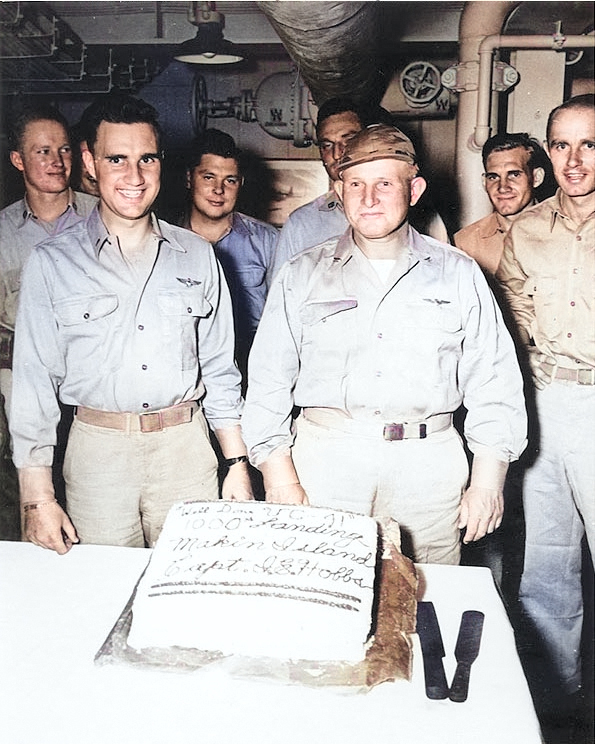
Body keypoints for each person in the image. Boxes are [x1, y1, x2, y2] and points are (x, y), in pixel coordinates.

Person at [242, 124, 527, 565]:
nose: (368, 198)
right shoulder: (302, 274)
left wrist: (488, 481)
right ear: (339, 191)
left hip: (428, 472)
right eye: (355, 184)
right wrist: (278, 476)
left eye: (384, 184)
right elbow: (267, 382)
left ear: (413, 190)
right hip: (327, 466)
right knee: (324, 600)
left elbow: (495, 381)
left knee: (427, 610)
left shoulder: (459, 273)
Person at [9, 94, 253, 556]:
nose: (134, 177)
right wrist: (37, 497)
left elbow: (221, 371)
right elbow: (33, 385)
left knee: (192, 590)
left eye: (146, 159)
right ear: (90, 162)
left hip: (186, 450)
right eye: (116, 159)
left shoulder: (199, 255)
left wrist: (237, 461)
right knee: (97, 594)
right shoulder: (52, 262)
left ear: (161, 162)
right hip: (97, 454)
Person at [496, 94, 595, 717]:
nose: (574, 160)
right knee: (548, 564)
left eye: (589, 144)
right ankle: (560, 702)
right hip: (546, 407)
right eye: (561, 145)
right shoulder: (527, 228)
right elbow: (517, 319)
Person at [0, 102, 97, 418]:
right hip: (22, 380)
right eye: (43, 152)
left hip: (94, 382)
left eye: (64, 150)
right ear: (18, 160)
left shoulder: (105, 218)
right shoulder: (3, 232)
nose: (56, 161)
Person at [184, 129, 278, 381]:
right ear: (189, 179)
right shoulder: (165, 241)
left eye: (230, 180)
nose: (218, 189)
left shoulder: (268, 241)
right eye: (208, 177)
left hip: (253, 363)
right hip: (187, 363)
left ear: (241, 185)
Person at [270, 98, 372, 277]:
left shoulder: (402, 208)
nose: (336, 154)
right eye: (327, 145)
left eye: (348, 141)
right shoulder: (301, 224)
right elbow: (281, 297)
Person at [454, 132, 550, 274]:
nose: (503, 187)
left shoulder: (564, 232)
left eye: (514, 175)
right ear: (484, 182)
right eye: (493, 177)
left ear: (536, 178)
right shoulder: (465, 244)